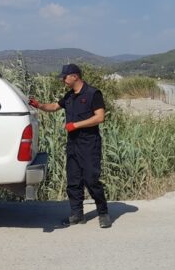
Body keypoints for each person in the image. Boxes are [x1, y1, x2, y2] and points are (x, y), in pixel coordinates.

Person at [28, 64, 112, 228]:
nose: (63, 79)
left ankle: (103, 213)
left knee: (91, 180)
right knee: (73, 181)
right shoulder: (70, 96)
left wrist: (76, 125)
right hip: (73, 144)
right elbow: (54, 106)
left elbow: (100, 117)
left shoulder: (93, 93)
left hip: (89, 143)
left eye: (65, 77)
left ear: (75, 76)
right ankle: (77, 215)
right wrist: (38, 105)